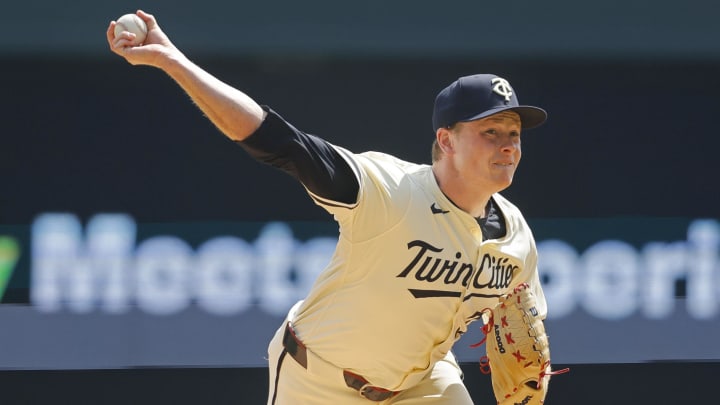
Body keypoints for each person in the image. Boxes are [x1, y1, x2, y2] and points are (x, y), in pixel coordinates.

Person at [108, 10, 553, 404]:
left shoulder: (516, 236)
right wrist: (174, 62)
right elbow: (278, 141)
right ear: (446, 140)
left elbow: (526, 331)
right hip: (318, 380)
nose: (508, 146)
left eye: (514, 133)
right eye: (490, 132)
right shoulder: (389, 190)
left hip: (422, 385)